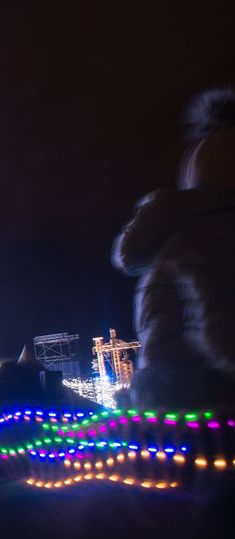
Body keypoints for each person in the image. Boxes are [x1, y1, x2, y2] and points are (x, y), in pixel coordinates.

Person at [113, 87, 235, 407]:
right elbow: (222, 329)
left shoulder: (175, 239)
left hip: (168, 391)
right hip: (204, 396)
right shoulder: (214, 232)